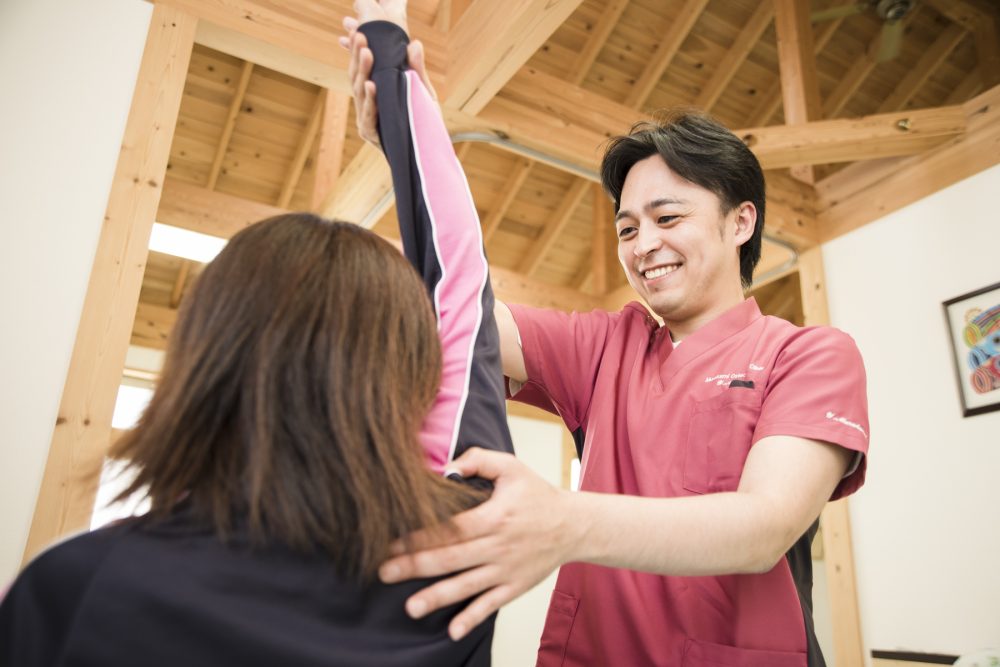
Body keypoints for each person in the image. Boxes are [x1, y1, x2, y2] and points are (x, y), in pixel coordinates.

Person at [346, 4, 870, 666]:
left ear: (741, 222)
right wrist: (405, 145)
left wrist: (563, 522)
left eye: (667, 216)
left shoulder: (811, 355)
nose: (644, 245)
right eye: (627, 228)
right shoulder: (604, 348)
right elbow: (453, 302)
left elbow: (763, 526)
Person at [0, 2, 513, 665]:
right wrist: (393, 67)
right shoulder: (452, 571)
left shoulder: (67, 591)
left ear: (204, 359)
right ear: (405, 379)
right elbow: (460, 275)